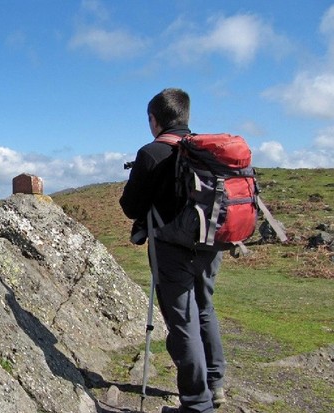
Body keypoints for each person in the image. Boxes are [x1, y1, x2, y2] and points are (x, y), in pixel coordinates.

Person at [119, 88, 227, 413]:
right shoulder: (208, 151)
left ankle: (197, 404)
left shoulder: (151, 153)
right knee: (205, 310)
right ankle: (215, 383)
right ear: (185, 115)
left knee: (183, 322)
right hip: (210, 245)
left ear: (155, 120)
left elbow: (130, 205)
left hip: (170, 250)